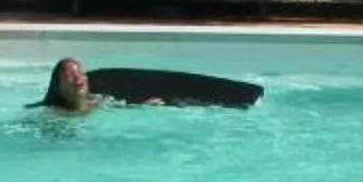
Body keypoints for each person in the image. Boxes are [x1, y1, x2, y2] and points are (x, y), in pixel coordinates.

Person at [33, 58, 264, 112]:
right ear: (58, 87)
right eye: (69, 76)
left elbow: (119, 107)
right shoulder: (54, 115)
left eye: (80, 72)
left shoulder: (98, 103)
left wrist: (143, 106)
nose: (78, 78)